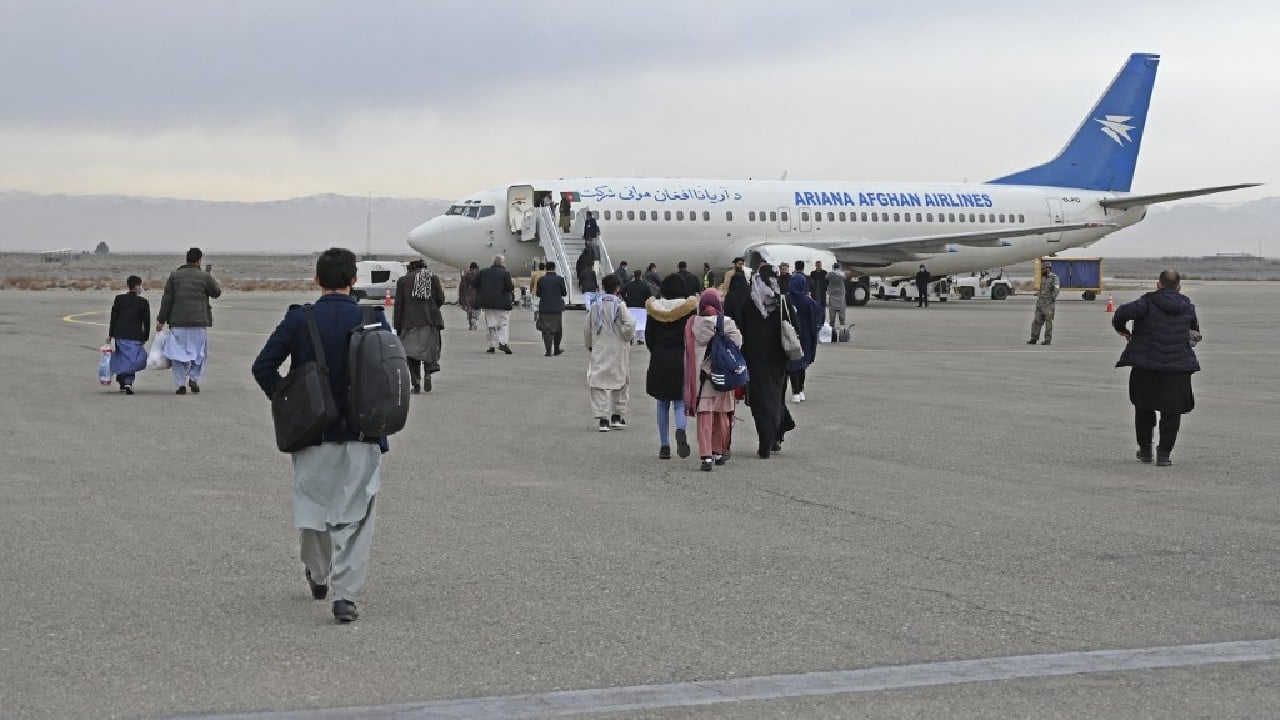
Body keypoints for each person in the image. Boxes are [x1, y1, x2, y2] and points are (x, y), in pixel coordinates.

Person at [251, 247, 390, 624]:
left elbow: (263, 366)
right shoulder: (373, 318)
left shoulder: (300, 319)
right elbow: (392, 370)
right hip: (363, 432)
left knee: (313, 509)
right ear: (353, 280)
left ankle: (317, 573)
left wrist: (289, 399)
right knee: (357, 516)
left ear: (317, 280)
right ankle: (345, 596)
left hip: (313, 431)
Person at [1112, 270, 1201, 467]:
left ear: (1158, 284)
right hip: (1177, 368)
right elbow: (1195, 333)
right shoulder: (1187, 307)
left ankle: (1145, 451)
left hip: (1147, 365)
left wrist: (1123, 330)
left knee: (1144, 407)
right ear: (1178, 287)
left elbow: (1121, 313)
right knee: (1172, 412)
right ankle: (1164, 454)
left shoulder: (1146, 302)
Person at [737, 265, 796, 458]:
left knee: (759, 400)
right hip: (778, 357)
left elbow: (742, 332)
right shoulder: (782, 302)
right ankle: (774, 437)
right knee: (776, 396)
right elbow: (795, 328)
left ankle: (766, 437)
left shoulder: (749, 303)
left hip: (755, 358)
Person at [684, 289, 743, 471]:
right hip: (723, 375)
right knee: (722, 415)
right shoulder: (727, 323)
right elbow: (738, 343)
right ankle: (718, 450)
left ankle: (706, 456)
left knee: (705, 416)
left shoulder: (693, 323)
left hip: (702, 377)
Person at [645, 274, 698, 460]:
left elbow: (649, 338)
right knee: (680, 402)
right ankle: (681, 430)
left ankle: (664, 445)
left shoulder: (654, 309)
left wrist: (657, 351)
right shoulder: (689, 309)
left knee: (661, 403)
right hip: (681, 359)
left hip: (660, 358)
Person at [156, 247, 221, 395]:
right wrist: (209, 277)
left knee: (177, 354)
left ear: (186, 259)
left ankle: (180, 384)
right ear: (199, 260)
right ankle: (194, 377)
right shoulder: (204, 276)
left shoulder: (174, 276)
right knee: (199, 353)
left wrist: (161, 320)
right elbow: (216, 292)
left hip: (178, 322)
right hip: (198, 323)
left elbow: (167, 300)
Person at [584, 274, 635, 431]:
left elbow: (587, 328)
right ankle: (617, 416)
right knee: (620, 381)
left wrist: (590, 345)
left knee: (598, 382)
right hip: (618, 349)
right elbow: (630, 323)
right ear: (618, 288)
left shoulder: (595, 306)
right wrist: (627, 337)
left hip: (600, 348)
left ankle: (603, 419)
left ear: (602, 286)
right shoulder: (620, 305)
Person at [393, 259, 445, 393]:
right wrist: (431, 308)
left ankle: (416, 383)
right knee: (430, 349)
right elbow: (441, 299)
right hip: (430, 321)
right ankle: (428, 373)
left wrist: (397, 326)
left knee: (411, 353)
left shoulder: (403, 281)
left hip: (409, 322)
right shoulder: (432, 278)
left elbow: (399, 305)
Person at [107, 275, 150, 395]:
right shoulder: (143, 302)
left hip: (120, 334)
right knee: (132, 359)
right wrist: (145, 336)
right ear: (137, 286)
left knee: (123, 357)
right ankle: (127, 382)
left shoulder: (119, 299)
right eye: (140, 285)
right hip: (135, 335)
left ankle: (122, 381)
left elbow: (113, 318)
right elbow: (146, 322)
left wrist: (111, 334)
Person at [785, 274, 823, 402]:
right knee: (802, 363)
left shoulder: (785, 300)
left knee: (791, 363)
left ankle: (795, 390)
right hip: (805, 335)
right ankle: (800, 389)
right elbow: (818, 317)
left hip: (788, 335)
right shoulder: (809, 301)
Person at [473, 254, 515, 354]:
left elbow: (475, 283)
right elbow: (509, 288)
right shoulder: (506, 274)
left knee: (490, 324)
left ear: (493, 263)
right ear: (502, 263)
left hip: (487, 303)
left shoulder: (483, 272)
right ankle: (503, 343)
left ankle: (491, 346)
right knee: (503, 324)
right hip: (502, 303)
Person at [535, 261, 568, 356]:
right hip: (556, 308)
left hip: (544, 307)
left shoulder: (541, 279)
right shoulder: (560, 279)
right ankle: (556, 349)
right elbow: (564, 293)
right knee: (557, 329)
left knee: (546, 330)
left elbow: (538, 294)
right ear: (554, 268)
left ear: (546, 268)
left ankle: (548, 350)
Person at [1029, 262, 1060, 345]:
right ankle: (1034, 338)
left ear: (1048, 268)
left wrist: (1051, 299)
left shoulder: (1054, 278)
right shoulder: (1042, 278)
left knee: (1048, 322)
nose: (1042, 270)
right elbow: (1042, 289)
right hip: (1040, 303)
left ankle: (1047, 339)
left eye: (1043, 268)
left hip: (1048, 304)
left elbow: (1056, 290)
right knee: (1036, 321)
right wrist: (1039, 293)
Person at [622, 269, 653, 344]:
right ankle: (641, 340)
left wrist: (627, 299)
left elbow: (622, 293)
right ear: (641, 276)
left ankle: (631, 338)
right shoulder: (645, 285)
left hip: (631, 306)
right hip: (642, 307)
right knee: (642, 325)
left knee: (631, 323)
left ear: (634, 275)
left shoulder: (629, 284)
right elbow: (649, 295)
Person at [722, 257, 751, 325]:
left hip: (743, 301)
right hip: (733, 300)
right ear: (735, 264)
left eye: (742, 264)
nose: (740, 266)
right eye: (739, 264)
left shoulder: (745, 273)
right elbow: (726, 286)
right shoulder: (730, 273)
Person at [826, 262, 848, 337]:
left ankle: (832, 333)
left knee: (832, 316)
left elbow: (826, 278)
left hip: (833, 295)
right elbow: (845, 278)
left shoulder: (830, 274)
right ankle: (842, 333)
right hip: (841, 295)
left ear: (833, 267)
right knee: (842, 317)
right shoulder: (842, 274)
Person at [458, 262, 481, 331]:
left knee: (469, 311)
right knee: (476, 310)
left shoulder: (464, 276)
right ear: (476, 268)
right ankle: (474, 319)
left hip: (466, 297)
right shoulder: (478, 276)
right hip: (476, 296)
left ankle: (470, 324)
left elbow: (461, 289)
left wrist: (461, 299)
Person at [577, 242, 600, 307]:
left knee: (587, 297)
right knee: (592, 297)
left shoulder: (583, 272)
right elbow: (595, 280)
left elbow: (581, 279)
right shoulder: (593, 272)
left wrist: (579, 285)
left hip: (585, 286)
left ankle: (588, 308)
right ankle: (592, 306)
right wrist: (597, 286)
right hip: (592, 287)